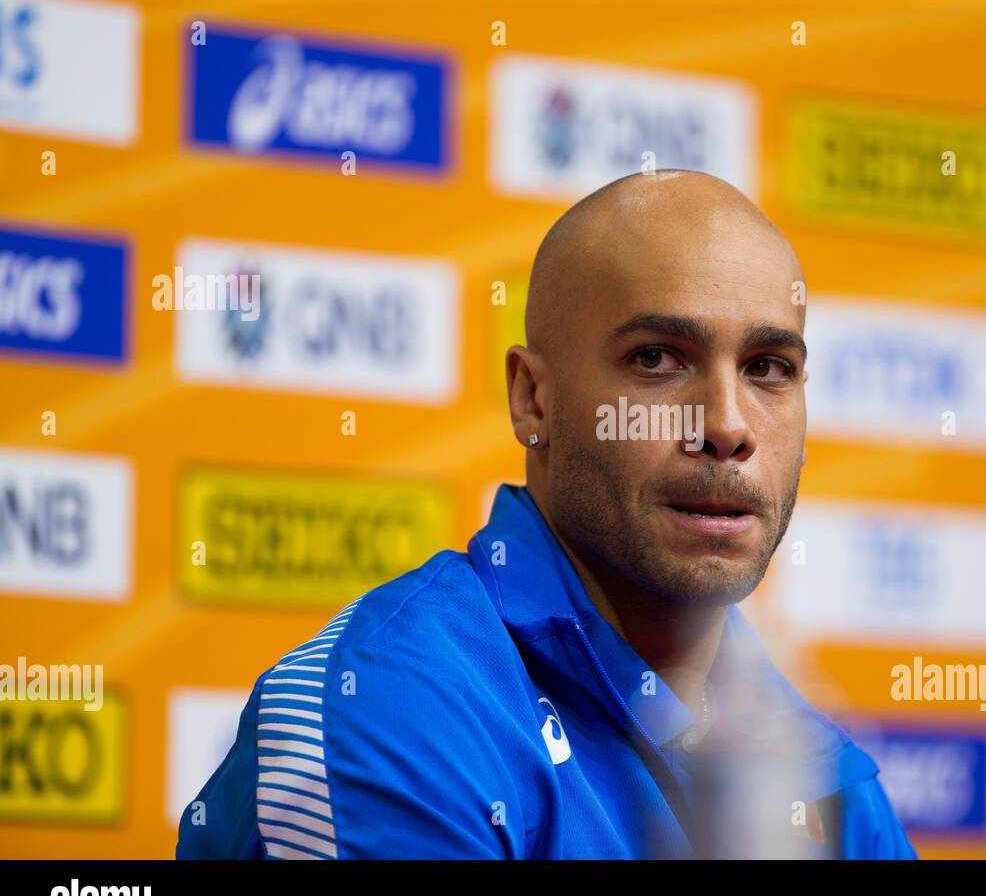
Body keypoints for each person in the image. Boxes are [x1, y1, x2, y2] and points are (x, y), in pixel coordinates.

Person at [176, 169, 916, 859]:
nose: (727, 425)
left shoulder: (819, 773)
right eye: (657, 359)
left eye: (767, 368)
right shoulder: (388, 710)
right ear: (534, 399)